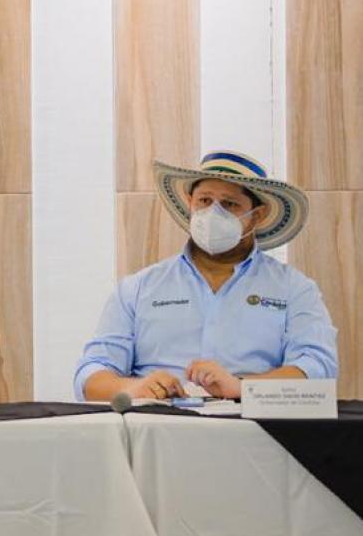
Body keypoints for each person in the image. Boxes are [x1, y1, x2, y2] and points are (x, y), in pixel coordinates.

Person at [75, 151, 337, 402]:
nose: (213, 213)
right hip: (156, 430)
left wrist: (243, 387)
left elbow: (317, 368)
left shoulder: (293, 289)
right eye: (204, 200)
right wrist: (134, 388)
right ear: (190, 202)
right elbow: (91, 375)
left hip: (254, 432)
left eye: (229, 204)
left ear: (257, 215)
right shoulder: (138, 288)